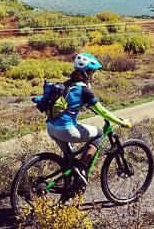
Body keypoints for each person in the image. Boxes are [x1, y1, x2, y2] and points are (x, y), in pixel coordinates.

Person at [45, 52, 131, 185]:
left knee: (69, 161)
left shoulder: (67, 84)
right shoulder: (84, 91)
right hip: (66, 130)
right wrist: (121, 122)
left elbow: (68, 103)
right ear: (87, 73)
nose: (93, 75)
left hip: (51, 128)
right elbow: (102, 112)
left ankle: (69, 189)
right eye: (92, 72)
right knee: (100, 134)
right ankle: (82, 168)